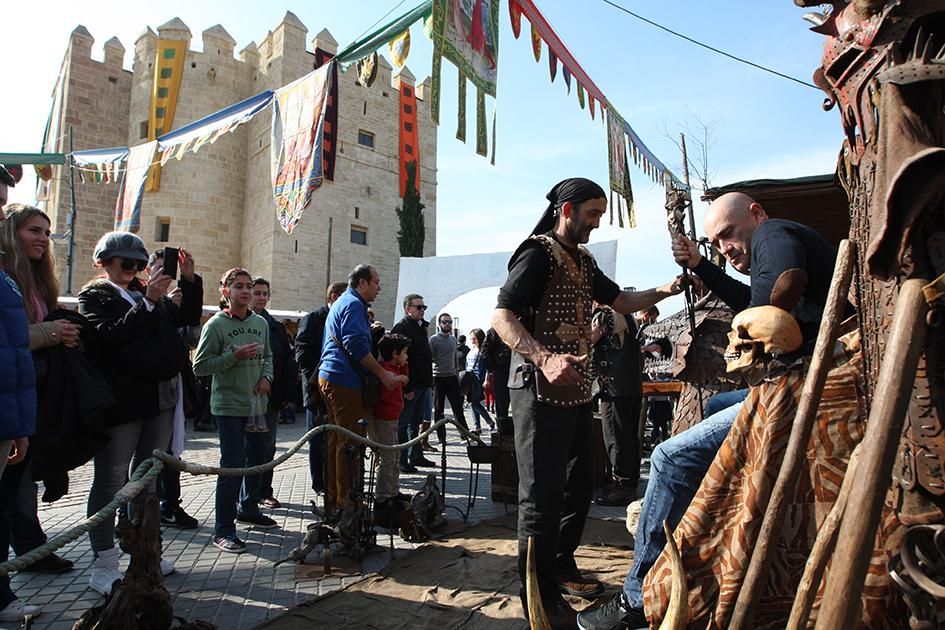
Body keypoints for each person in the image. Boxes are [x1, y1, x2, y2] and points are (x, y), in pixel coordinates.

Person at [577, 191, 838, 630]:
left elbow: (785, 281)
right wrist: (701, 265)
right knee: (718, 404)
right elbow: (750, 298)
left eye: (729, 235)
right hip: (788, 382)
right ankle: (711, 516)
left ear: (756, 215)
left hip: (802, 386)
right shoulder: (760, 255)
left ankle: (635, 601)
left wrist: (763, 326)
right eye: (717, 243)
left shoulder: (774, 233)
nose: (726, 248)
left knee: (668, 457)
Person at [491, 177, 682, 628]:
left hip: (577, 390)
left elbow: (620, 300)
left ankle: (560, 566)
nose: (597, 223)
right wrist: (543, 358)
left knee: (578, 487)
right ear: (567, 210)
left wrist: (665, 290)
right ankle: (536, 598)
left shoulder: (584, 259)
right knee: (540, 495)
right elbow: (502, 314)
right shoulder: (537, 253)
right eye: (593, 213)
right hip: (537, 390)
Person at [78, 232, 199, 594]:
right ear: (104, 262)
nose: (132, 269)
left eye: (138, 264)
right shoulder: (95, 296)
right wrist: (147, 301)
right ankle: (103, 562)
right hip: (123, 400)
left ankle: (143, 551)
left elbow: (187, 319)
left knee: (148, 477)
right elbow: (111, 338)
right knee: (111, 480)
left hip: (159, 397)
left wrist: (189, 280)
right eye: (124, 263)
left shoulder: (147, 294)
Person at [0, 204, 77, 573]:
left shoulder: (36, 279)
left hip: (33, 390)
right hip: (11, 392)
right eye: (34, 231)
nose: (43, 240)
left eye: (47, 233)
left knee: (23, 478)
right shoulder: (6, 276)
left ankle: (31, 547)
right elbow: (10, 340)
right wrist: (52, 333)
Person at [192, 268, 276, 554]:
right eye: (238, 286)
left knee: (258, 460)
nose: (245, 291)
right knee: (232, 465)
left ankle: (249, 508)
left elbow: (268, 357)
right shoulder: (215, 325)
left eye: (249, 286)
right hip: (228, 407)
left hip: (257, 406)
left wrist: (267, 377)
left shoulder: (260, 322)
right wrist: (234, 356)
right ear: (225, 291)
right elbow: (200, 366)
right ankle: (223, 529)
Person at [317, 265, 406, 520]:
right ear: (363, 282)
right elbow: (355, 344)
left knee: (338, 444)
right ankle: (347, 508)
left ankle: (336, 503)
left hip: (334, 378)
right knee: (350, 446)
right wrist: (383, 373)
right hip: (344, 381)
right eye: (377, 282)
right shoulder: (353, 304)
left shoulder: (344, 302)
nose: (380, 287)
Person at [137, 249, 203, 531]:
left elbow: (190, 322)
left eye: (170, 270)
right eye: (160, 269)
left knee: (169, 455)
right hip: (140, 394)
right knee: (141, 462)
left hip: (172, 392)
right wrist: (154, 300)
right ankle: (131, 519)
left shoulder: (166, 304)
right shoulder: (140, 300)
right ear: (148, 270)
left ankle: (168, 507)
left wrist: (188, 280)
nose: (165, 276)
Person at [0, 183, 42, 623]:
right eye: (33, 230)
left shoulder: (10, 280)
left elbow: (11, 354)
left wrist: (17, 426)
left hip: (13, 416)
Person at [295, 281, 346, 499]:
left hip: (341, 390)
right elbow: (302, 353)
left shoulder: (345, 319)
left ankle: (336, 480)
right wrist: (319, 378)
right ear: (334, 296)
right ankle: (320, 483)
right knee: (318, 440)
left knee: (335, 438)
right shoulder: (314, 318)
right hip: (318, 389)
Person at [251, 277, 298, 510]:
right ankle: (243, 497)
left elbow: (288, 362)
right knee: (244, 450)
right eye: (256, 292)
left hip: (271, 398)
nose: (260, 297)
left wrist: (288, 394)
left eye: (264, 293)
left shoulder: (276, 327)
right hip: (243, 398)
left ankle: (263, 491)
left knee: (267, 447)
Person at [590, 300, 643, 507]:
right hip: (631, 386)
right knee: (628, 437)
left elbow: (588, 340)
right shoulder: (628, 316)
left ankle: (623, 487)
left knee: (615, 437)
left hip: (614, 387)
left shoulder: (603, 314)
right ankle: (629, 482)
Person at [391, 293, 435, 473]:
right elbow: (399, 361)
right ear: (407, 309)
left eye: (423, 307)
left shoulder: (419, 327)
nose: (422, 310)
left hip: (422, 383)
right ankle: (402, 460)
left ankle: (415, 455)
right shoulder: (402, 327)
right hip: (412, 385)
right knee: (404, 423)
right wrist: (407, 387)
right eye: (418, 307)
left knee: (415, 422)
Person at [370, 333, 411, 506]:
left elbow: (405, 378)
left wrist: (403, 371)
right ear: (395, 354)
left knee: (395, 456)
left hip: (392, 420)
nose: (406, 356)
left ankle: (393, 491)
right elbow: (391, 387)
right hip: (383, 421)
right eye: (405, 353)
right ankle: (383, 496)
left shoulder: (394, 370)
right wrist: (399, 379)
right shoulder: (386, 373)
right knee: (387, 459)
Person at [429, 312, 470, 446]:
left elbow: (455, 360)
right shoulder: (433, 340)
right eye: (445, 322)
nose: (448, 324)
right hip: (438, 378)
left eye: (450, 322)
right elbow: (430, 358)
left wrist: (457, 375)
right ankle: (442, 438)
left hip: (452, 377)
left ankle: (465, 435)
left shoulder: (453, 339)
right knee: (439, 409)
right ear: (440, 324)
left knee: (457, 408)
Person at [463, 328, 494, 434]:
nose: (470, 338)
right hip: (469, 378)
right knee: (471, 402)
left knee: (474, 402)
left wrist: (486, 379)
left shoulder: (482, 351)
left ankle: (489, 421)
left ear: (476, 338)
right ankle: (477, 427)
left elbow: (487, 367)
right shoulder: (472, 349)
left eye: (471, 336)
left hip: (477, 379)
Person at [480, 327, 512, 420]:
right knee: (502, 403)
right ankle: (502, 430)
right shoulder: (495, 331)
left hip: (519, 370)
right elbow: (484, 351)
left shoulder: (524, 326)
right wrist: (493, 368)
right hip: (502, 371)